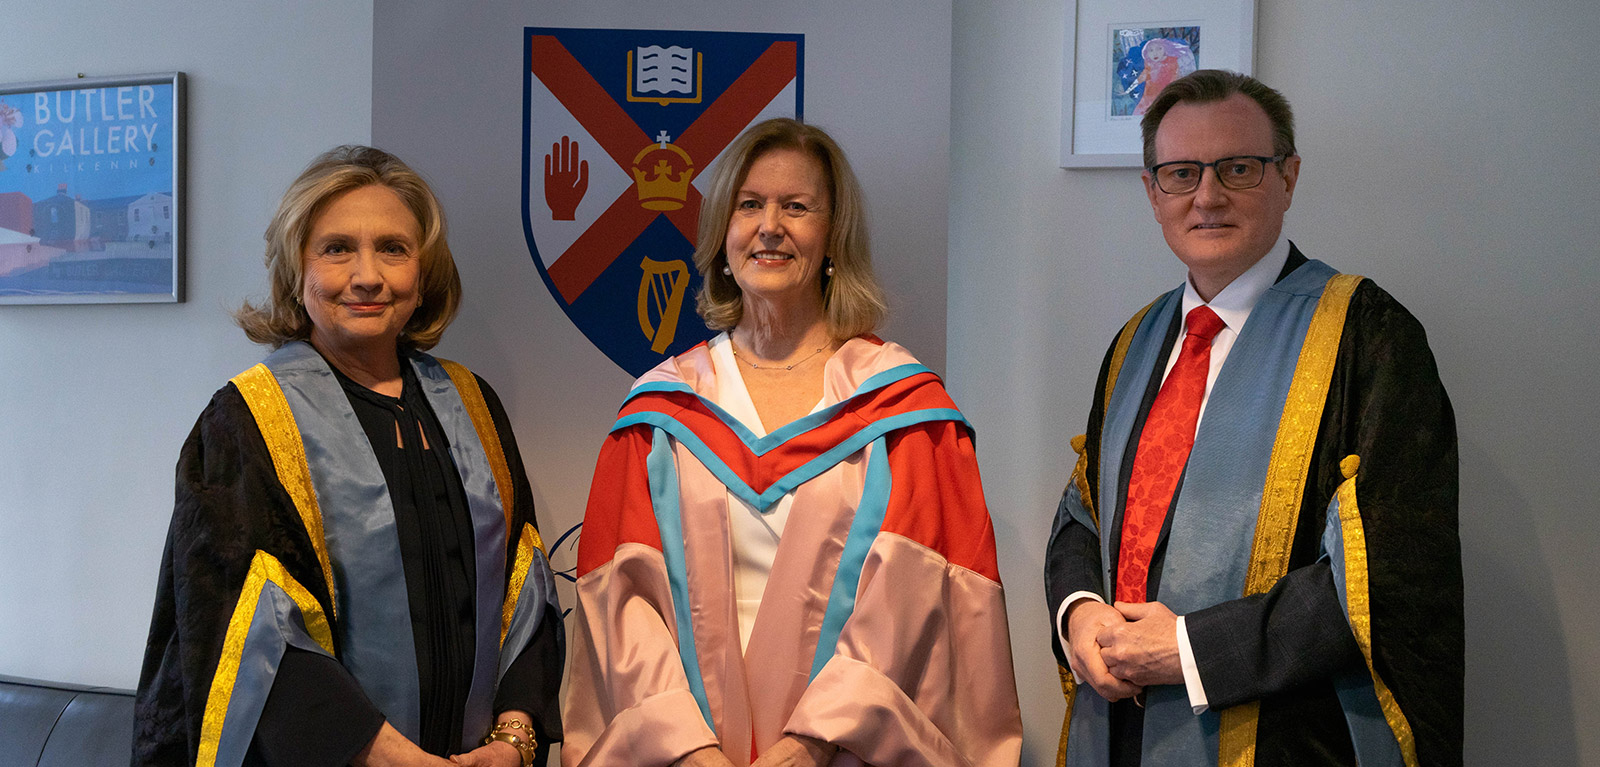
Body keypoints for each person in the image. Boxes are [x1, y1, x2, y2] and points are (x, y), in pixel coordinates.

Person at [562, 118, 1023, 767]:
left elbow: (914, 605)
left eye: (796, 207)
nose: (769, 226)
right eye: (749, 205)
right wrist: (689, 749)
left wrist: (811, 743)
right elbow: (623, 605)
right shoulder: (660, 413)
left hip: (848, 753)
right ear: (724, 231)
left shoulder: (905, 413)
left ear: (832, 236)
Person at [1045, 70, 1462, 767]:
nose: (1208, 195)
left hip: (1291, 739)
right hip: (1120, 733)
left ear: (1288, 176)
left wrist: (1187, 650)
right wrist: (1080, 611)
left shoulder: (1367, 337)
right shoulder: (1134, 343)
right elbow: (1083, 512)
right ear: (1153, 192)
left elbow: (1390, 573)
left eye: (1238, 167)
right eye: (1181, 173)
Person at [133, 146, 562, 767]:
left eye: (393, 248)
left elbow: (525, 586)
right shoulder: (248, 423)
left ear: (424, 271)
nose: (368, 275)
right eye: (336, 249)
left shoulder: (472, 404)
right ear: (295, 269)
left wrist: (513, 738)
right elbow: (245, 629)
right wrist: (391, 759)